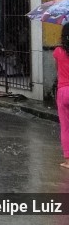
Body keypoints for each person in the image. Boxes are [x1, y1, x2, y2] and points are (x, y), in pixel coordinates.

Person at [54, 23, 69, 169]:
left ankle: (68, 161)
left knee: (65, 127)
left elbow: (57, 70)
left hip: (63, 91)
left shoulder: (58, 51)